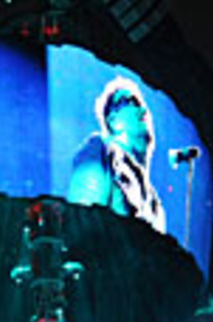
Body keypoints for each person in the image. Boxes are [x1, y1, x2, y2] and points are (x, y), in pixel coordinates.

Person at [66, 76, 166, 233]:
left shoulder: (154, 203)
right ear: (113, 121)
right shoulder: (100, 150)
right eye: (131, 102)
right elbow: (81, 224)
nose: (143, 110)